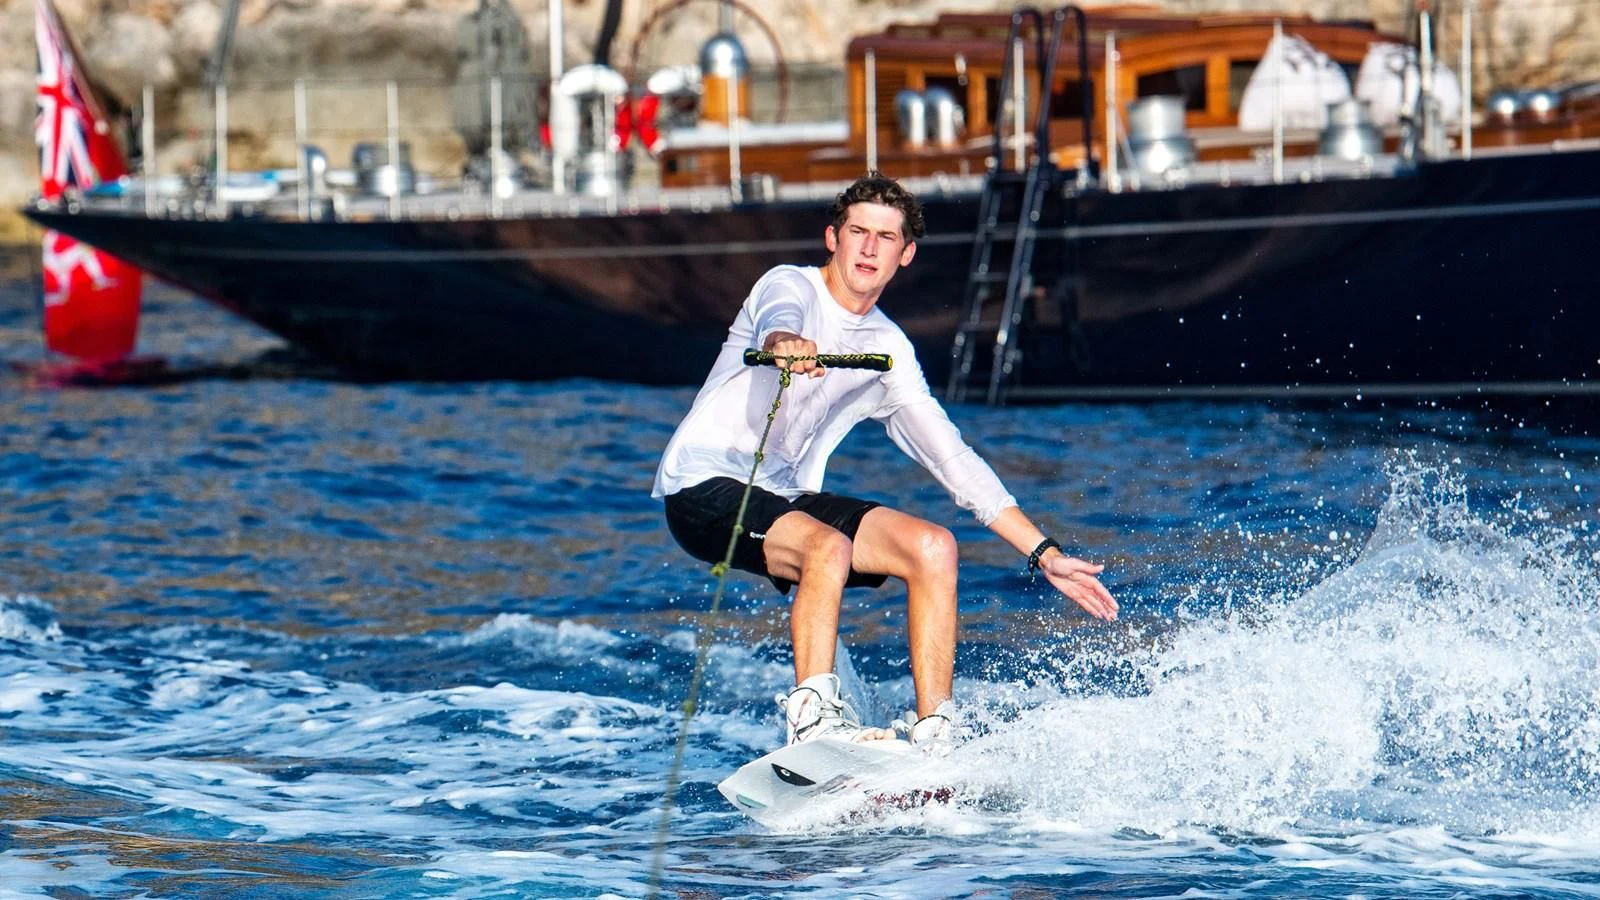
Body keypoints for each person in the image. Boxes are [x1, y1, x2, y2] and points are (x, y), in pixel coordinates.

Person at [652, 173, 1117, 752]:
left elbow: (952, 460)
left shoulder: (890, 350)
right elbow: (781, 313)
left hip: (783, 495)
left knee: (933, 547)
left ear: (906, 254)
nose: (869, 248)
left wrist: (1043, 552)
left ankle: (936, 734)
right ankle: (815, 724)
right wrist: (785, 342)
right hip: (702, 485)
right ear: (833, 238)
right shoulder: (789, 286)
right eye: (857, 232)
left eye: (886, 237)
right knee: (829, 547)